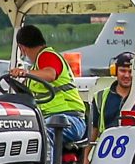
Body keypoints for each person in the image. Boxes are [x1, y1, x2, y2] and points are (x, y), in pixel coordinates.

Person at [11, 22, 89, 156]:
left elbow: (51, 74)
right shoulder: (35, 68)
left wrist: (25, 73)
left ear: (22, 48)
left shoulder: (47, 56)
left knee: (42, 132)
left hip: (70, 119)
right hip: (49, 119)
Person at [96, 56, 135, 131]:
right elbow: (93, 132)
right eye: (122, 71)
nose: (126, 75)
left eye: (131, 71)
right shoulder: (99, 97)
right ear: (115, 71)